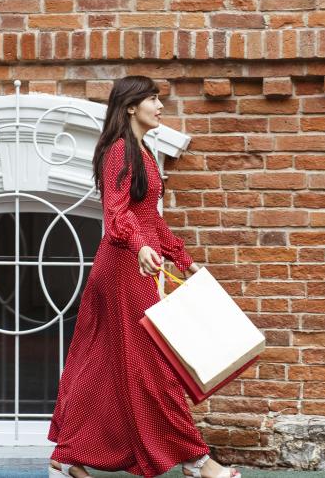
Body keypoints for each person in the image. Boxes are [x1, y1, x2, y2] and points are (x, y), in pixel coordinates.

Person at [48, 75, 242, 478]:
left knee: (104, 368)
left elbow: (150, 218)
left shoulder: (143, 152)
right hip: (123, 268)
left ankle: (66, 457)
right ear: (131, 106)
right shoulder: (120, 150)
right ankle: (195, 460)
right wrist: (139, 246)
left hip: (136, 264)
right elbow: (116, 212)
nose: (160, 105)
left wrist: (183, 260)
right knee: (155, 365)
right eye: (153, 99)